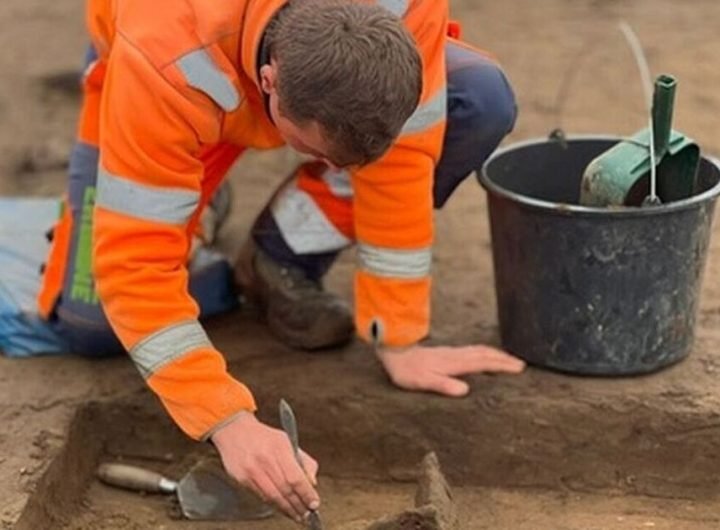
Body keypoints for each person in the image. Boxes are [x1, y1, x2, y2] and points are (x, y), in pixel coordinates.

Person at [0, 0, 526, 523]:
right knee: (92, 325)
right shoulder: (166, 55)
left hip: (254, 68)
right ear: (270, 81)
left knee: (479, 98)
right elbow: (133, 266)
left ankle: (279, 256)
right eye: (309, 148)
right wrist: (227, 421)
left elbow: (404, 162)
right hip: (170, 83)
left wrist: (397, 332)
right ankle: (189, 205)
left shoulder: (405, 8)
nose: (328, 168)